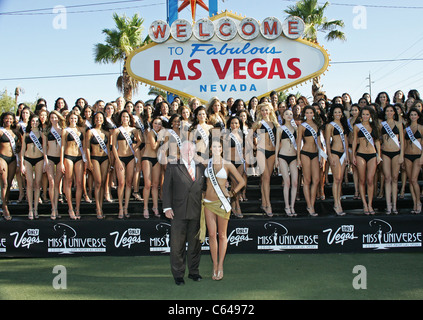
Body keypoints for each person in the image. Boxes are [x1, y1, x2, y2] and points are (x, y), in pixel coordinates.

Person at [199, 138, 245, 280]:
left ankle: (220, 266)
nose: (216, 149)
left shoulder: (228, 164)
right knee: (212, 235)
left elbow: (241, 181)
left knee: (222, 235)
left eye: (219, 147)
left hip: (222, 203)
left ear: (222, 149)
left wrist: (232, 193)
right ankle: (214, 265)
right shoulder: (206, 163)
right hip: (208, 202)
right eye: (214, 146)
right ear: (211, 149)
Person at [162, 141, 205, 286]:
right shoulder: (173, 166)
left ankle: (194, 272)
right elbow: (166, 188)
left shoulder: (200, 167)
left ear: (194, 152)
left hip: (196, 211)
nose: (188, 153)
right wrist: (167, 207)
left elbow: (204, 189)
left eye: (191, 151)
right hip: (178, 212)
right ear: (180, 152)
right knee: (177, 246)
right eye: (186, 151)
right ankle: (178, 274)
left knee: (195, 245)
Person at [112, 110, 142, 219]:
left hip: (130, 158)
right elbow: (113, 147)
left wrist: (134, 147)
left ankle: (126, 207)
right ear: (121, 118)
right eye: (123, 116)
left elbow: (140, 141)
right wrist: (117, 160)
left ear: (129, 118)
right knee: (121, 183)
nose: (125, 118)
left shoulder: (134, 130)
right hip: (120, 157)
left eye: (127, 117)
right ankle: (120, 207)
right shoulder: (116, 131)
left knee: (129, 183)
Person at [352, 106, 382, 215]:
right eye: (363, 114)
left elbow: (377, 141)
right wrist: (353, 155)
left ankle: (370, 204)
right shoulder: (357, 127)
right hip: (360, 154)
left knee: (370, 180)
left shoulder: (374, 126)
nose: (365, 116)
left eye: (367, 114)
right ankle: (364, 204)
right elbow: (355, 141)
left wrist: (378, 155)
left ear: (370, 116)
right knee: (362, 180)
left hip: (372, 155)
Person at [297, 105, 325, 216]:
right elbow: (298, 142)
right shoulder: (302, 126)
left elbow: (319, 143)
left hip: (315, 154)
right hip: (305, 153)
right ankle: (309, 205)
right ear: (304, 114)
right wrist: (298, 158)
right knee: (307, 180)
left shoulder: (316, 125)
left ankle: (312, 204)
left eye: (311, 113)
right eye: (307, 113)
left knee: (317, 179)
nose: (309, 115)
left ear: (314, 114)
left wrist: (322, 157)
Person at [252, 102, 279, 217]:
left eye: (266, 110)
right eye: (262, 110)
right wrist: (254, 147)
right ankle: (268, 205)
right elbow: (248, 136)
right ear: (260, 112)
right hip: (261, 152)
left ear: (270, 111)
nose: (264, 112)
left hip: (272, 152)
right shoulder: (257, 124)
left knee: (265, 178)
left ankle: (263, 202)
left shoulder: (275, 124)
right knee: (266, 177)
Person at [60, 111, 86, 220]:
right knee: (69, 182)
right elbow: (62, 147)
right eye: (71, 118)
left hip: (79, 157)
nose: (73, 120)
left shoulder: (81, 130)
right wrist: (61, 162)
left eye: (75, 118)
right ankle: (70, 208)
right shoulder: (65, 131)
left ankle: (78, 208)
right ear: (68, 119)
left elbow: (84, 146)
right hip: (68, 156)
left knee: (79, 183)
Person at [325, 104, 350, 216]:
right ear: (332, 114)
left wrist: (348, 157)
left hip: (343, 154)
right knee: (337, 179)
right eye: (335, 112)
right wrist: (329, 156)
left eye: (339, 112)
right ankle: (336, 204)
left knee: (340, 180)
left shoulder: (343, 124)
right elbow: (327, 142)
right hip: (334, 153)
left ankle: (339, 202)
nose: (337, 114)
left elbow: (346, 140)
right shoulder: (330, 126)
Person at [86, 111, 111, 219]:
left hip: (105, 158)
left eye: (101, 118)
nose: (98, 120)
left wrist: (111, 161)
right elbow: (86, 147)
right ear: (94, 119)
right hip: (94, 158)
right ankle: (98, 208)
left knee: (103, 182)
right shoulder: (90, 132)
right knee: (98, 182)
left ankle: (100, 206)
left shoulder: (107, 133)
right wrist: (89, 161)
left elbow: (109, 149)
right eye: (96, 118)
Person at [380, 105, 404, 214]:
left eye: (391, 111)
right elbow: (378, 139)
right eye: (387, 111)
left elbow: (402, 142)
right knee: (387, 178)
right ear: (385, 112)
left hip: (396, 153)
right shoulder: (382, 124)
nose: (389, 112)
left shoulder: (399, 124)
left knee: (395, 178)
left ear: (394, 112)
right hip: (385, 153)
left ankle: (395, 205)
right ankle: (388, 205)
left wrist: (401, 155)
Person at [21, 114, 45, 220]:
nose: (34, 123)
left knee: (37, 183)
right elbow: (22, 150)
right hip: (27, 159)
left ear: (39, 122)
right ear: (30, 122)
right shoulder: (26, 134)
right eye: (33, 121)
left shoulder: (42, 133)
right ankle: (30, 209)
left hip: (39, 159)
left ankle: (36, 209)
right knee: (29, 183)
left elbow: (44, 148)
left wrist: (45, 161)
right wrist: (21, 163)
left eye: (36, 121)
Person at [275, 109, 298, 216]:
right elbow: (277, 145)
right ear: (283, 116)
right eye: (286, 114)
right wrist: (276, 159)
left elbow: (298, 145)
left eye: (291, 114)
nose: (289, 116)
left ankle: (292, 206)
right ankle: (286, 206)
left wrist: (299, 158)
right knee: (287, 182)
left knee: (295, 183)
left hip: (294, 157)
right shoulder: (280, 129)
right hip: (283, 156)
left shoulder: (296, 129)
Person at [43, 110, 66, 219]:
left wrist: (62, 162)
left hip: (60, 159)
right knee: (51, 183)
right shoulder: (46, 130)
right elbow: (44, 147)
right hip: (50, 158)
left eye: (55, 117)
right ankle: (54, 208)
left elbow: (63, 147)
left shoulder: (62, 130)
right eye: (51, 117)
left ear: (59, 118)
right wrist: (46, 160)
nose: (53, 119)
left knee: (57, 184)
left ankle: (56, 207)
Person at [0, 112, 20, 220]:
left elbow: (20, 145)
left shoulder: (15, 131)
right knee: (4, 183)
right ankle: (5, 207)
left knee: (9, 183)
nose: (9, 121)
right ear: (3, 120)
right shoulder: (0, 131)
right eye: (6, 119)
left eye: (11, 119)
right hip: (2, 158)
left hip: (13, 159)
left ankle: (5, 202)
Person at [142, 117, 163, 218]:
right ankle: (145, 207)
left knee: (155, 185)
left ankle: (155, 207)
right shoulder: (151, 133)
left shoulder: (160, 133)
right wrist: (160, 138)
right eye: (155, 123)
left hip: (156, 159)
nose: (157, 125)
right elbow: (154, 146)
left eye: (159, 124)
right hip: (147, 158)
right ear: (152, 124)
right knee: (147, 184)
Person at [403, 107, 423, 214]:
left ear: (418, 116)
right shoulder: (406, 129)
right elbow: (404, 144)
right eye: (411, 115)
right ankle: (414, 202)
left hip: (417, 156)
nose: (413, 116)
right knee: (410, 180)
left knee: (414, 180)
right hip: (407, 156)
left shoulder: (421, 128)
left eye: (415, 114)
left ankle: (419, 202)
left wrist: (422, 157)